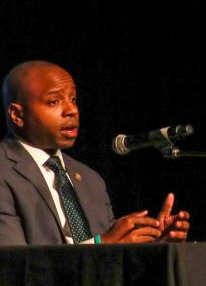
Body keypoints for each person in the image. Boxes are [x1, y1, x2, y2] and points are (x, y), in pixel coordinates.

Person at [0, 60, 191, 245]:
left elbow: (109, 265)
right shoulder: (4, 172)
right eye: (54, 101)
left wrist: (148, 249)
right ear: (17, 115)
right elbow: (12, 266)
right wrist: (102, 245)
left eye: (73, 99)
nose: (72, 110)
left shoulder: (91, 180)